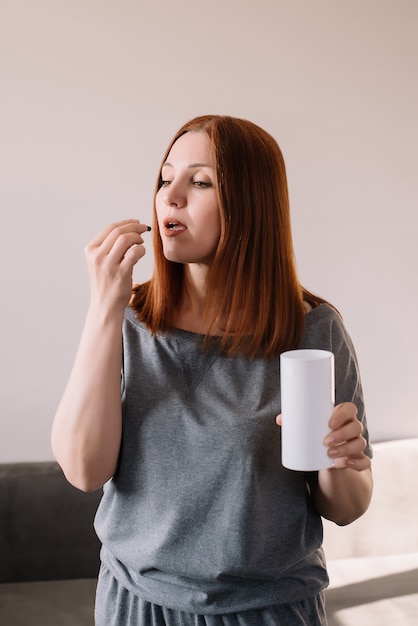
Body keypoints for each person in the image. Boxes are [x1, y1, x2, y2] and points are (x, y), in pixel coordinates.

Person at [51, 115, 373, 626]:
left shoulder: (314, 331)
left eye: (199, 182)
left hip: (270, 610)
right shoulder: (126, 319)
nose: (169, 196)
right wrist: (103, 310)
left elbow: (346, 507)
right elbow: (83, 470)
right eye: (164, 177)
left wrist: (341, 457)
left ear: (252, 205)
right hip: (136, 605)